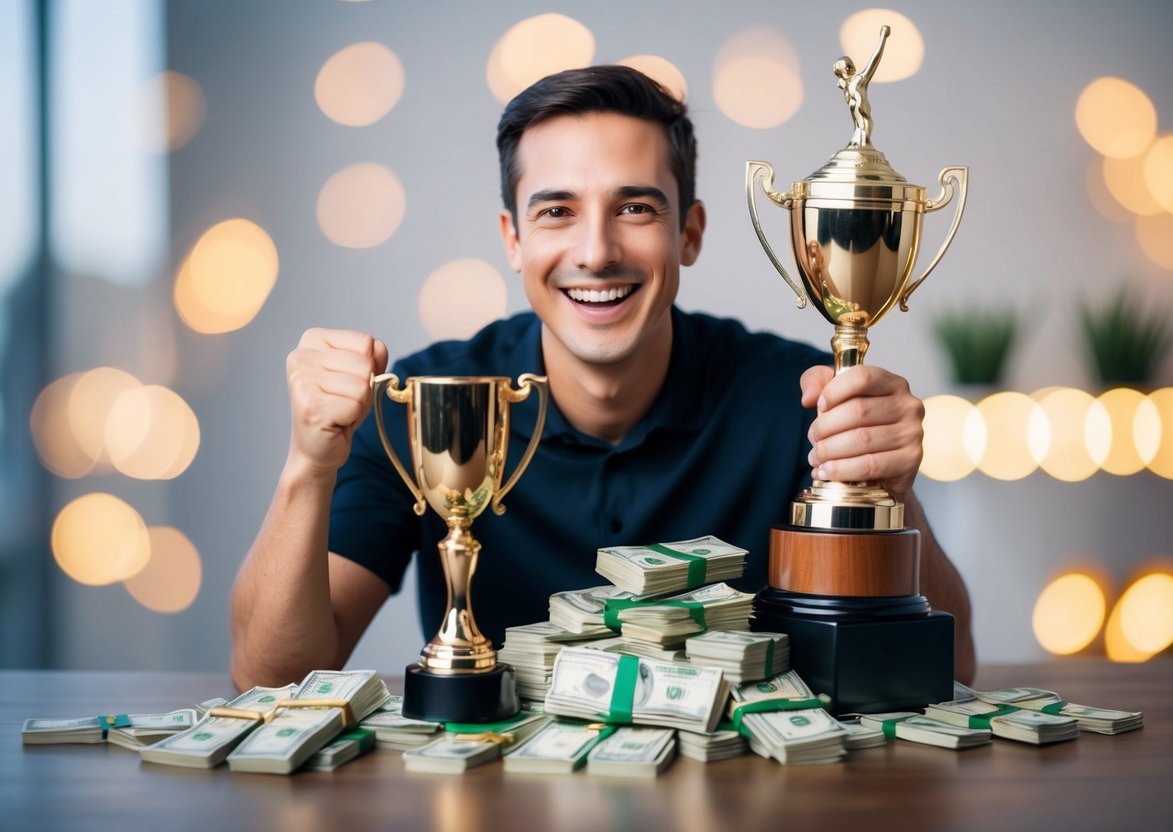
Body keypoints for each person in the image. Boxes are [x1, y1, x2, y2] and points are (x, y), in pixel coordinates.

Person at [229, 65, 974, 691]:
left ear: (689, 233)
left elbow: (952, 675)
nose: (595, 251)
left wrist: (887, 486)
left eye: (635, 208)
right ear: (512, 240)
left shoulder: (799, 401)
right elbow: (271, 677)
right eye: (556, 211)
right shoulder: (420, 403)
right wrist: (307, 466)